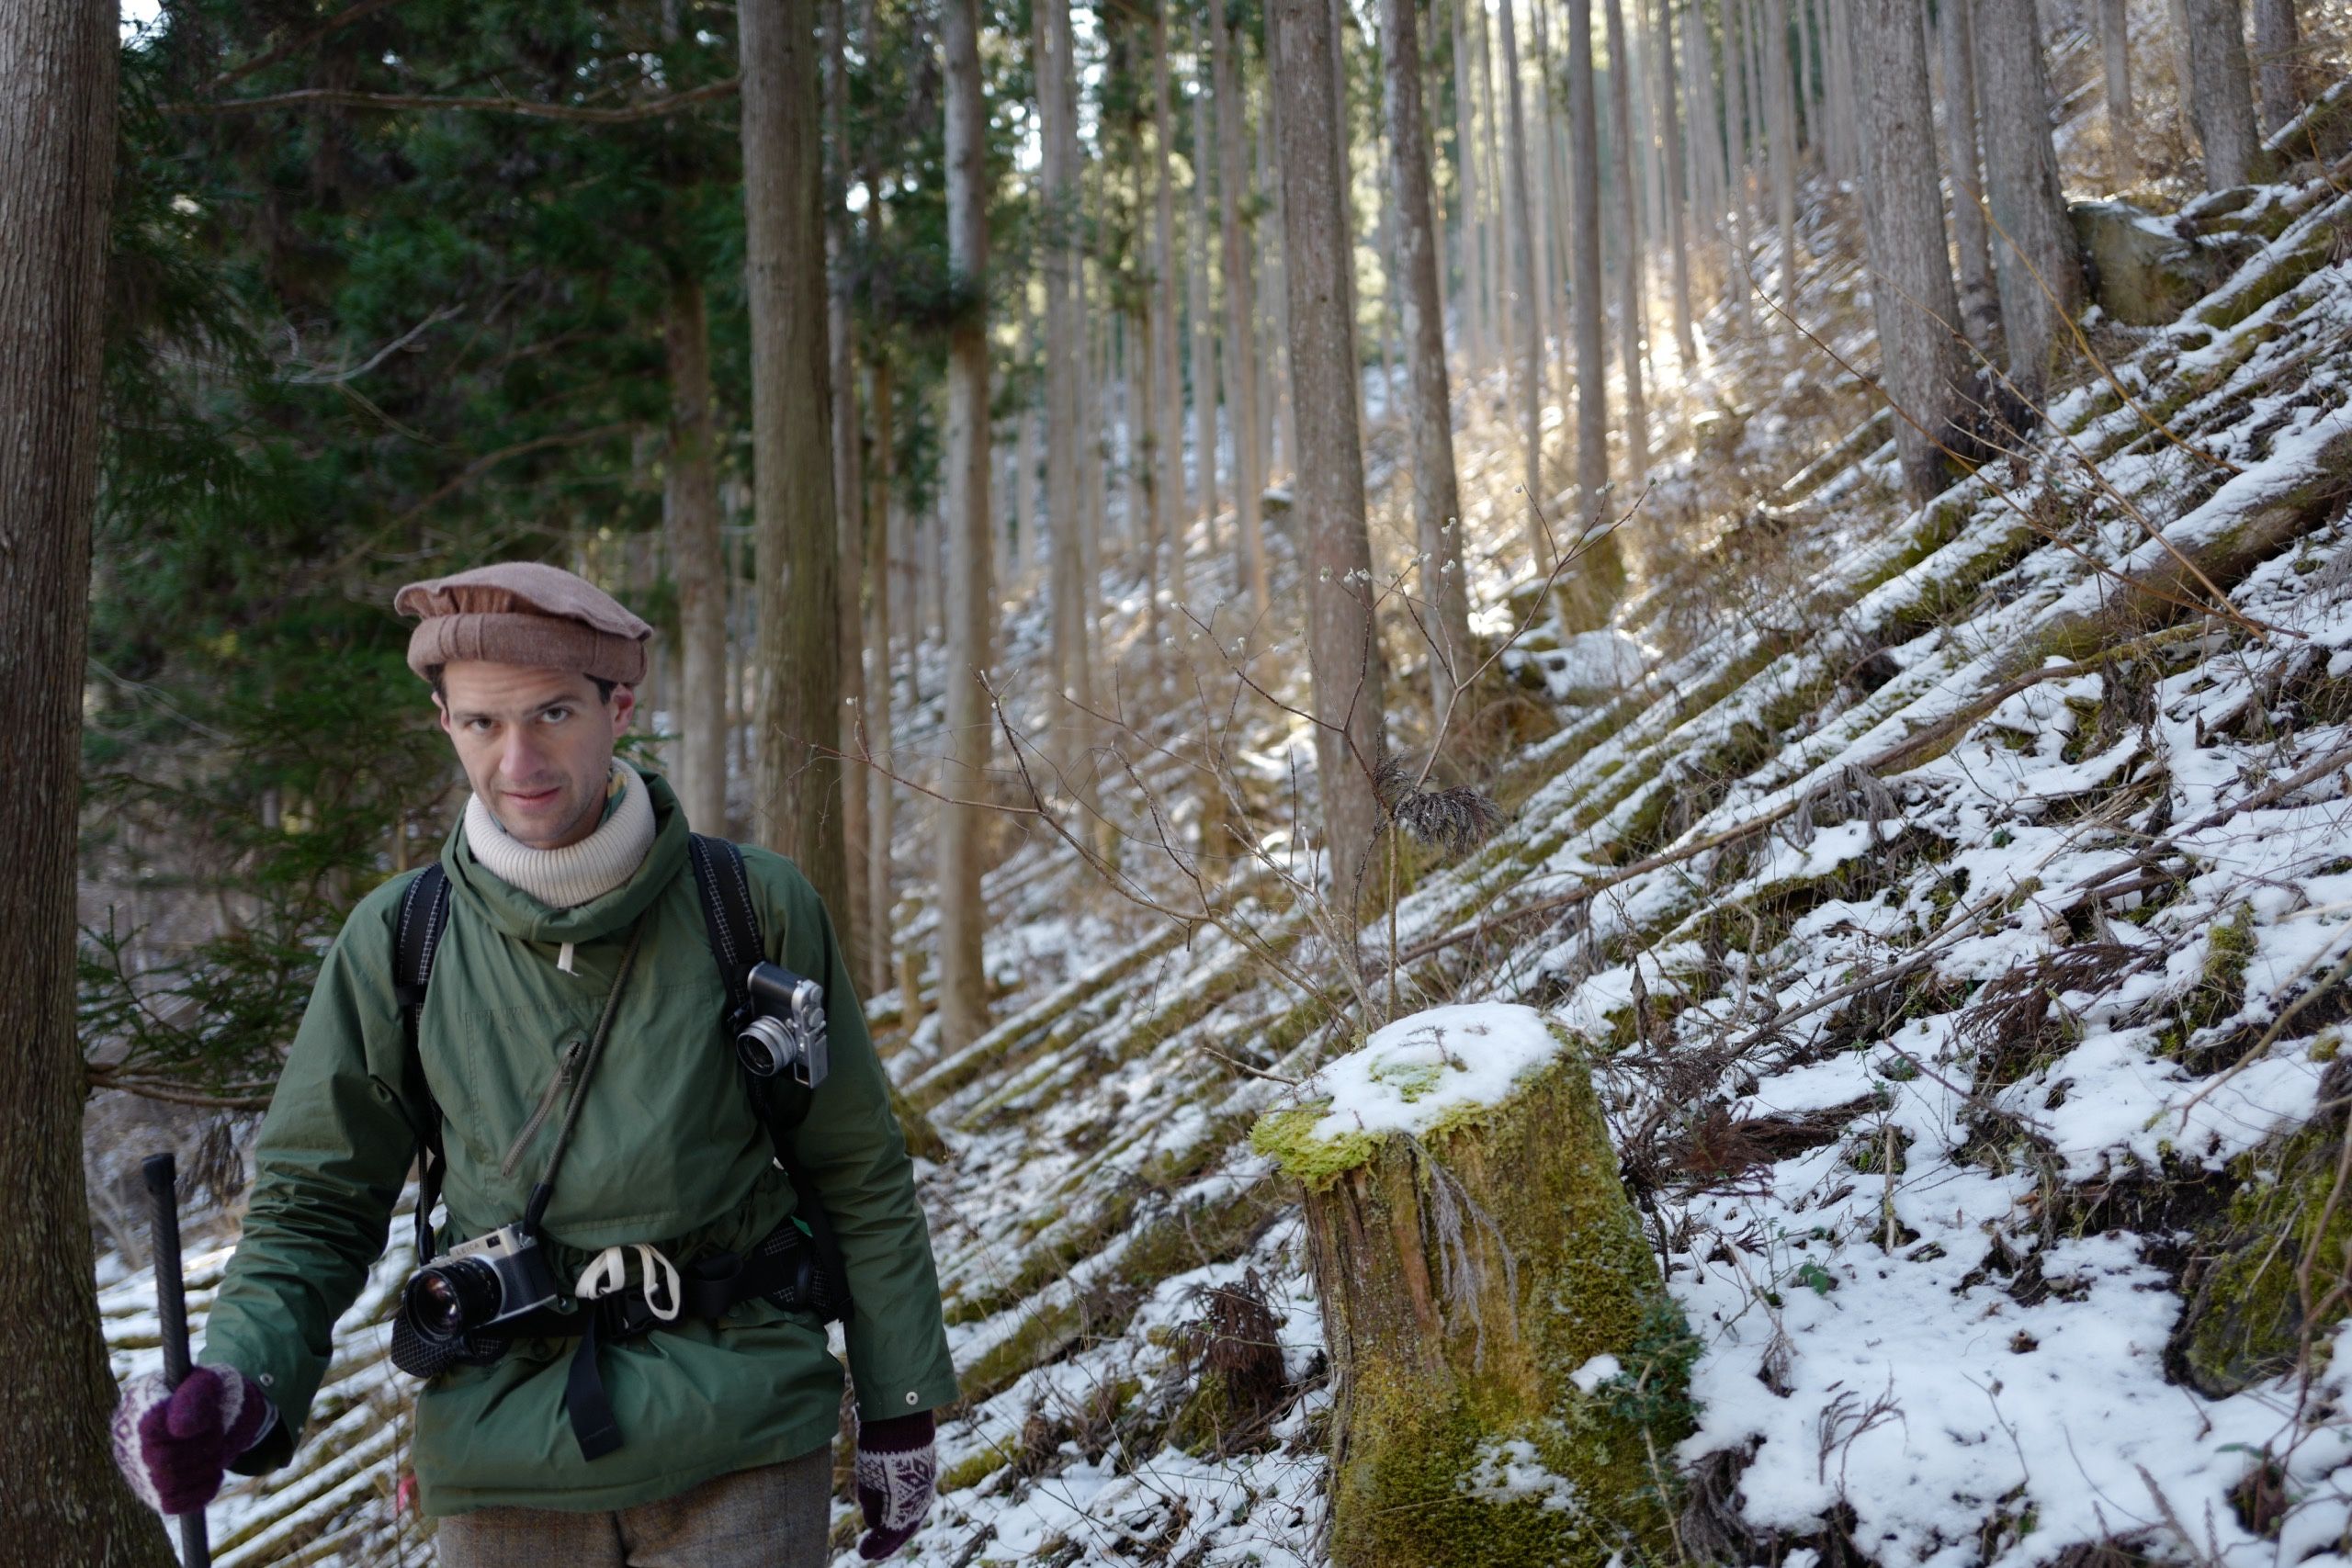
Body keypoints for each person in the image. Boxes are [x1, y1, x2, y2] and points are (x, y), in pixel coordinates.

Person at [110, 562, 956, 1566]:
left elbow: (854, 1163)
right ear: (444, 723)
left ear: (619, 705)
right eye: (480, 724)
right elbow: (313, 1204)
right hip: (500, 1452)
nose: (518, 760)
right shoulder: (401, 940)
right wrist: (238, 1382)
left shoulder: (750, 906)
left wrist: (900, 1406)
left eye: (553, 713)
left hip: (742, 1427)